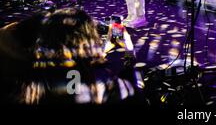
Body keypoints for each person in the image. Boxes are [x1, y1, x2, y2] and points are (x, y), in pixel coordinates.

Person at [14, 8, 145, 105]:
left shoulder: (30, 78)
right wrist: (129, 53)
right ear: (87, 39)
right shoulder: (102, 79)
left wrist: (103, 51)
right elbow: (136, 96)